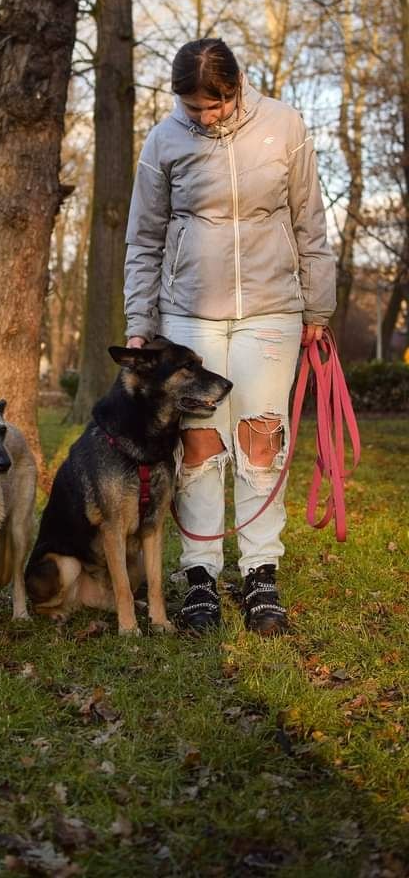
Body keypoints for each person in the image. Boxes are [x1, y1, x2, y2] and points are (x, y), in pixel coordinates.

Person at [124, 38, 336, 636]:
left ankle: (261, 573)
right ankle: (200, 577)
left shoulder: (283, 126)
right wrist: (141, 326)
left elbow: (309, 223)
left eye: (213, 105)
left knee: (261, 436)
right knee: (198, 444)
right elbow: (143, 240)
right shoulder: (164, 140)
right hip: (188, 314)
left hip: (272, 310)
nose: (205, 117)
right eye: (193, 107)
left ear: (236, 87)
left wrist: (318, 308)